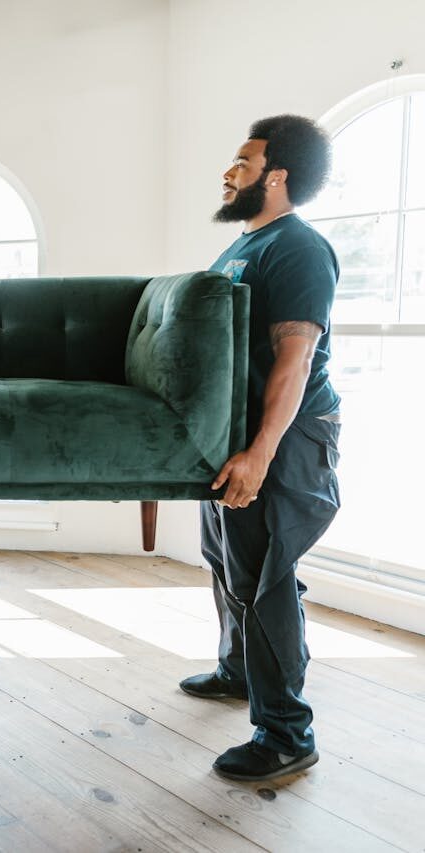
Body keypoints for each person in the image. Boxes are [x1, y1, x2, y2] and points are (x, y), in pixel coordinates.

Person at [179, 115, 342, 782]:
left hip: (284, 436)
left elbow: (294, 360)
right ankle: (239, 669)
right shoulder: (246, 245)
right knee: (226, 561)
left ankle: (285, 734)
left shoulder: (298, 248)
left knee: (267, 575)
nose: (228, 171)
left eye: (242, 162)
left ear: (276, 174)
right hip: (235, 432)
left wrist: (261, 453)